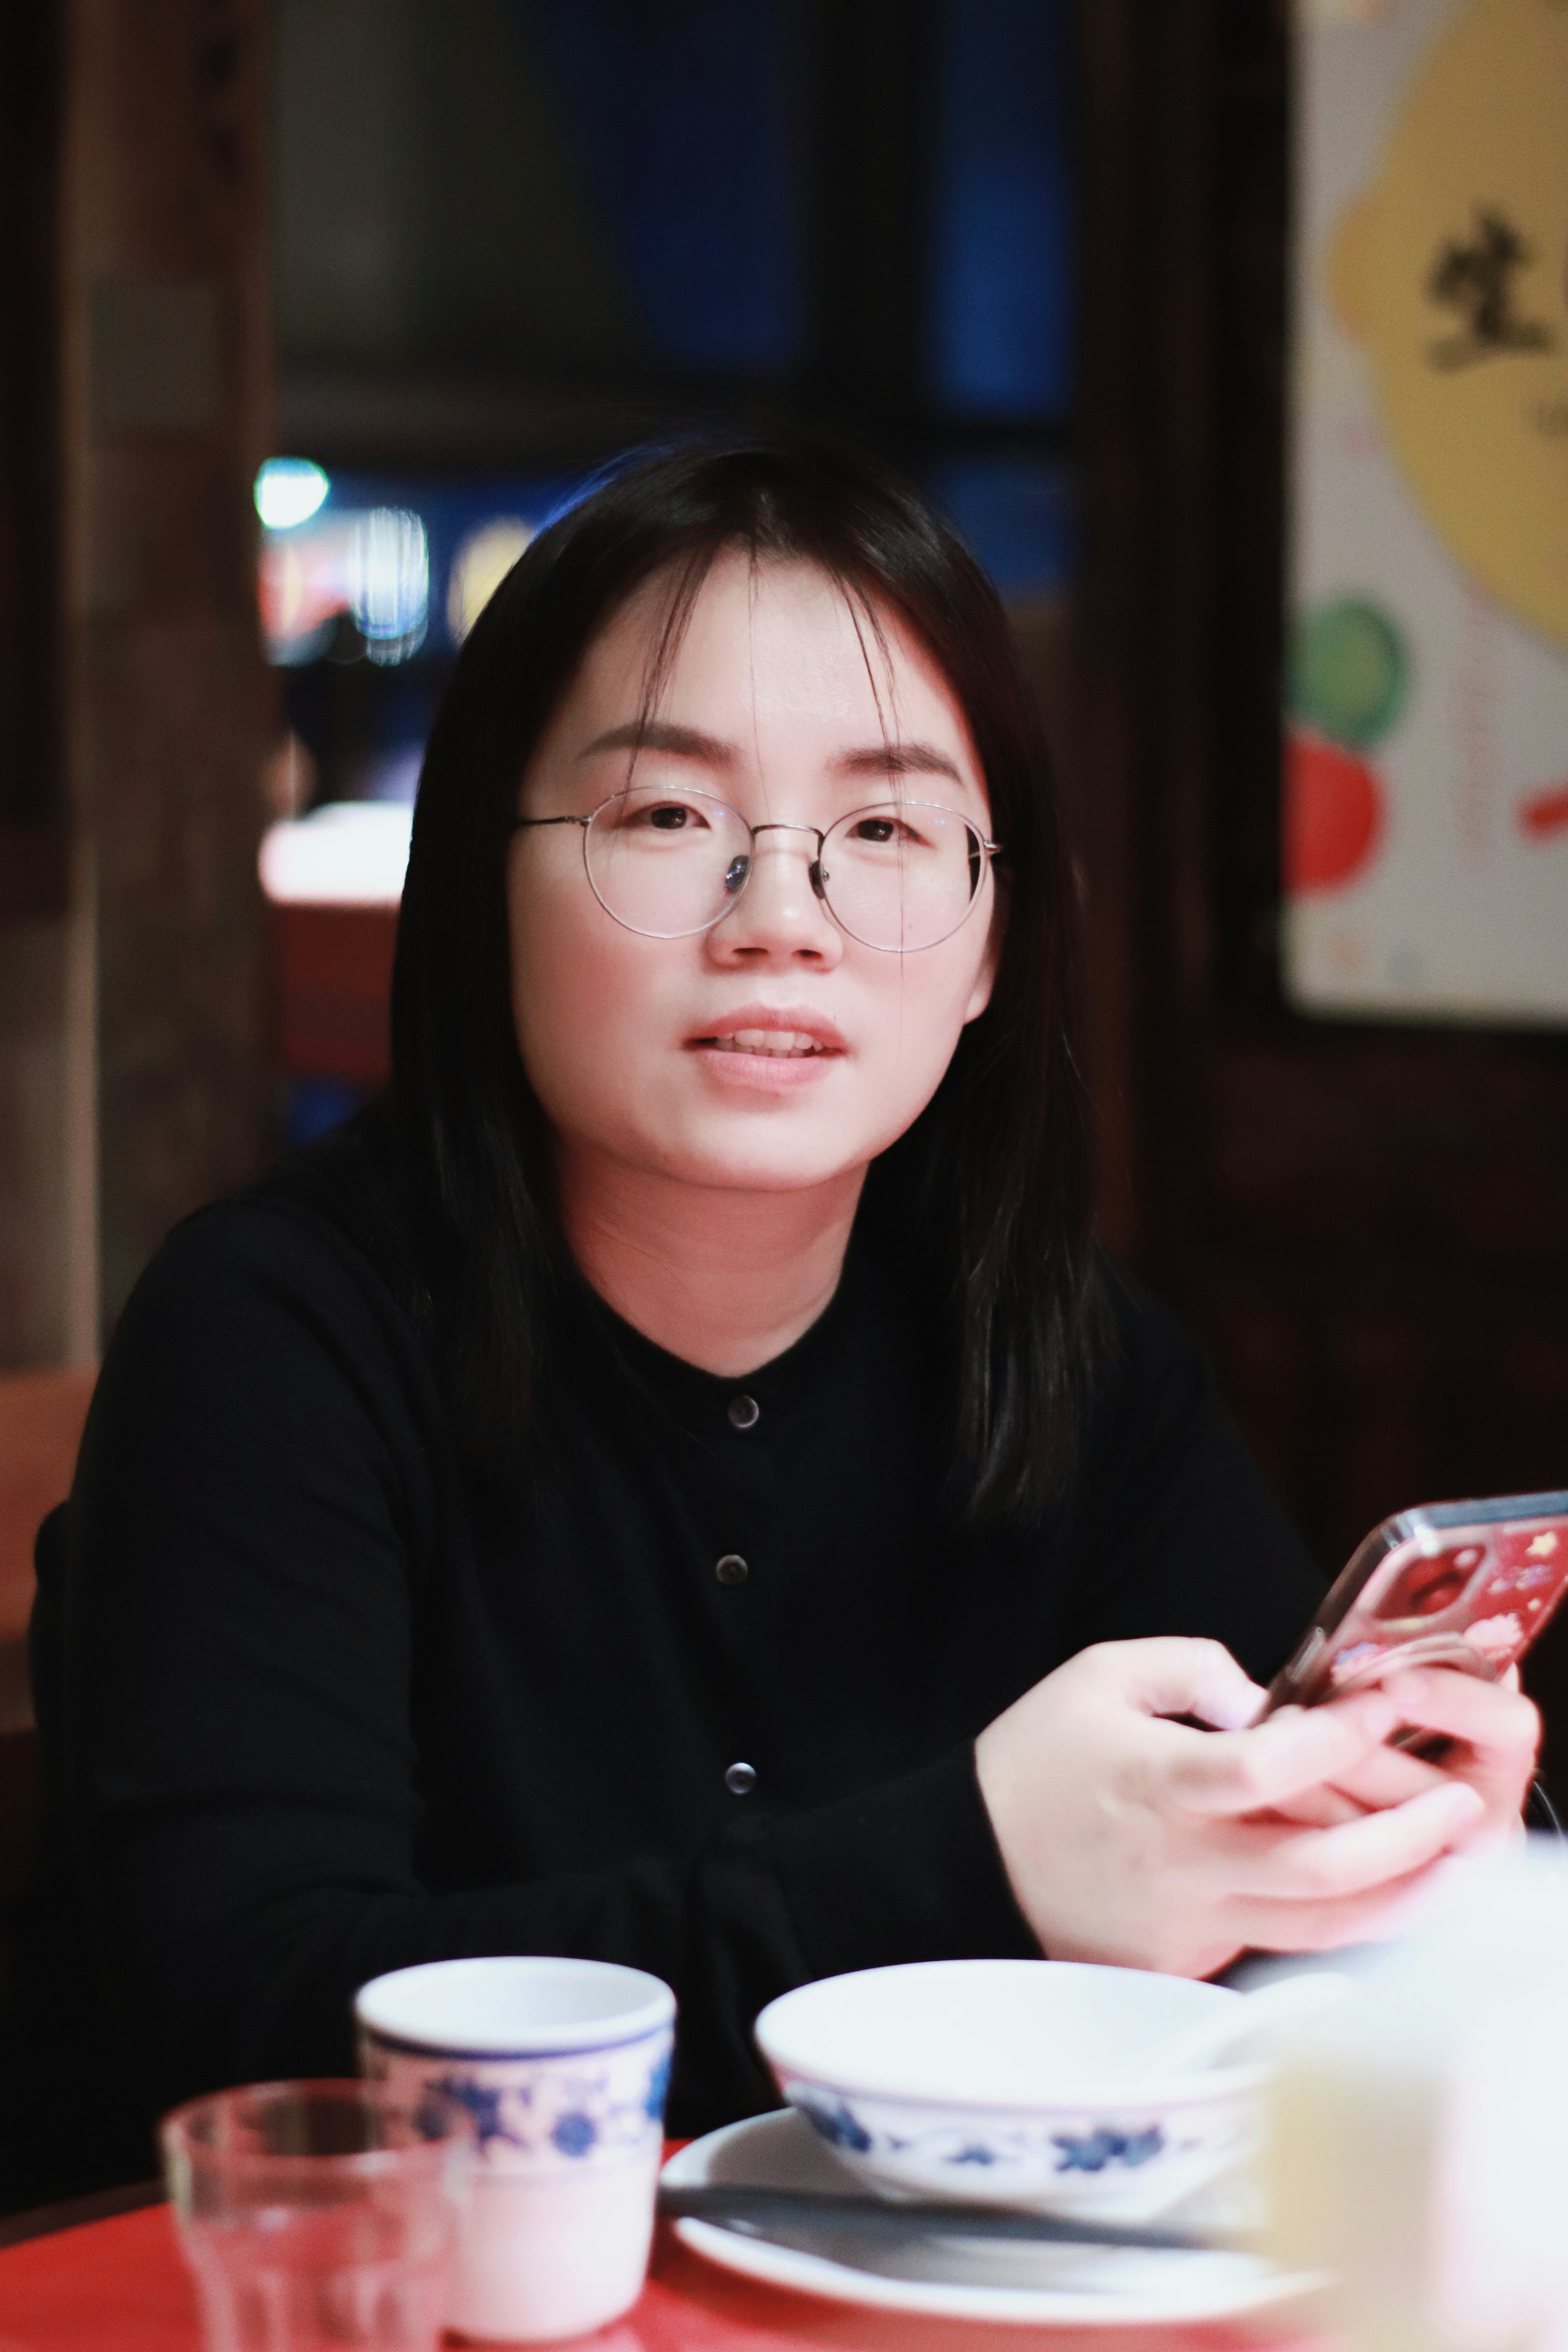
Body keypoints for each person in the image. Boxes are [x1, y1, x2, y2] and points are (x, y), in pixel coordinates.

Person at [0, 437, 1537, 2211]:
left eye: (882, 831)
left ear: (987, 940)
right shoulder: (275, 1337)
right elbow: (249, 2031)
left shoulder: (1070, 1354)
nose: (780, 919)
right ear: (482, 877)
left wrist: (1419, 1850)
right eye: (668, 818)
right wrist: (982, 1860)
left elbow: (1281, 1961)